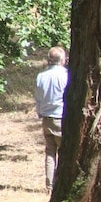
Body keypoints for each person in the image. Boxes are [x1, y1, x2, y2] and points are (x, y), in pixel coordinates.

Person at [34, 46, 68, 191]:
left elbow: (38, 98)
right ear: (62, 60)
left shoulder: (41, 76)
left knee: (50, 153)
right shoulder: (66, 75)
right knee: (65, 152)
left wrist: (40, 112)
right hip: (61, 118)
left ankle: (49, 185)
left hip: (46, 118)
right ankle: (62, 185)